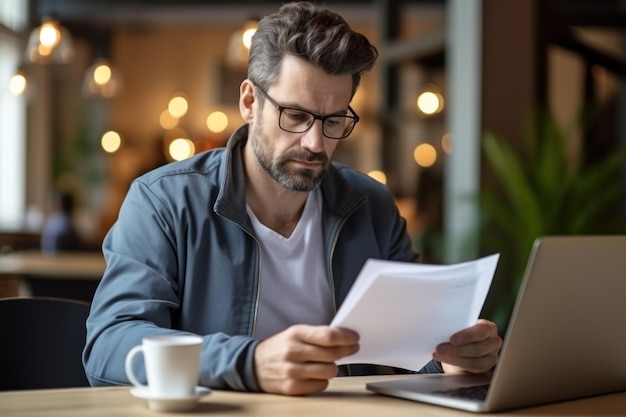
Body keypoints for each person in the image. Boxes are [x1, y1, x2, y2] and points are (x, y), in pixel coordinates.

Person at [83, 1, 502, 396]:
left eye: (334, 119)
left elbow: (408, 359)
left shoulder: (372, 206)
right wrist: (248, 363)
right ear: (249, 102)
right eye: (296, 116)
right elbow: (110, 347)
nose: (316, 143)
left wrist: (451, 363)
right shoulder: (163, 202)